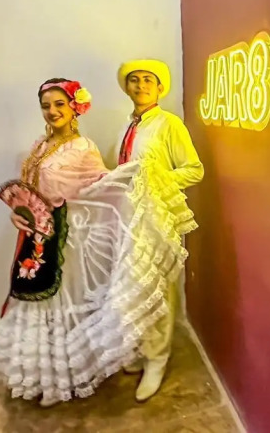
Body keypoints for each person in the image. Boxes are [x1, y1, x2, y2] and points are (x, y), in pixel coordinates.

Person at [0, 78, 158, 407]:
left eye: (59, 104)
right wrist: (19, 215)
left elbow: (102, 187)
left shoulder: (82, 148)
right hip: (36, 238)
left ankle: (69, 375)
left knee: (62, 306)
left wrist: (137, 182)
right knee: (35, 301)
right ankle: (40, 376)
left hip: (67, 241)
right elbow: (29, 193)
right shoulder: (39, 145)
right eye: (46, 106)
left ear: (74, 107)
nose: (52, 111)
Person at [115, 59, 203, 401]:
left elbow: (194, 169)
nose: (140, 86)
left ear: (160, 87)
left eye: (147, 80)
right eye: (134, 80)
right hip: (131, 218)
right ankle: (142, 347)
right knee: (137, 287)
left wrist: (157, 182)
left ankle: (157, 358)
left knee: (159, 288)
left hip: (159, 219)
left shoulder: (169, 124)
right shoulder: (129, 126)